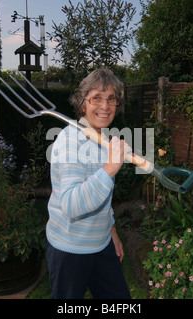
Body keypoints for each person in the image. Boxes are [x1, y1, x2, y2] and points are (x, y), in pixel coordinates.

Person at [46, 67, 132, 299]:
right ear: (82, 103)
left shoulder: (103, 139)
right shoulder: (69, 141)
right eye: (96, 98)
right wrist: (112, 166)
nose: (105, 106)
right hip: (70, 248)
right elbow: (72, 206)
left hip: (101, 243)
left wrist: (112, 231)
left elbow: (103, 196)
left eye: (111, 99)